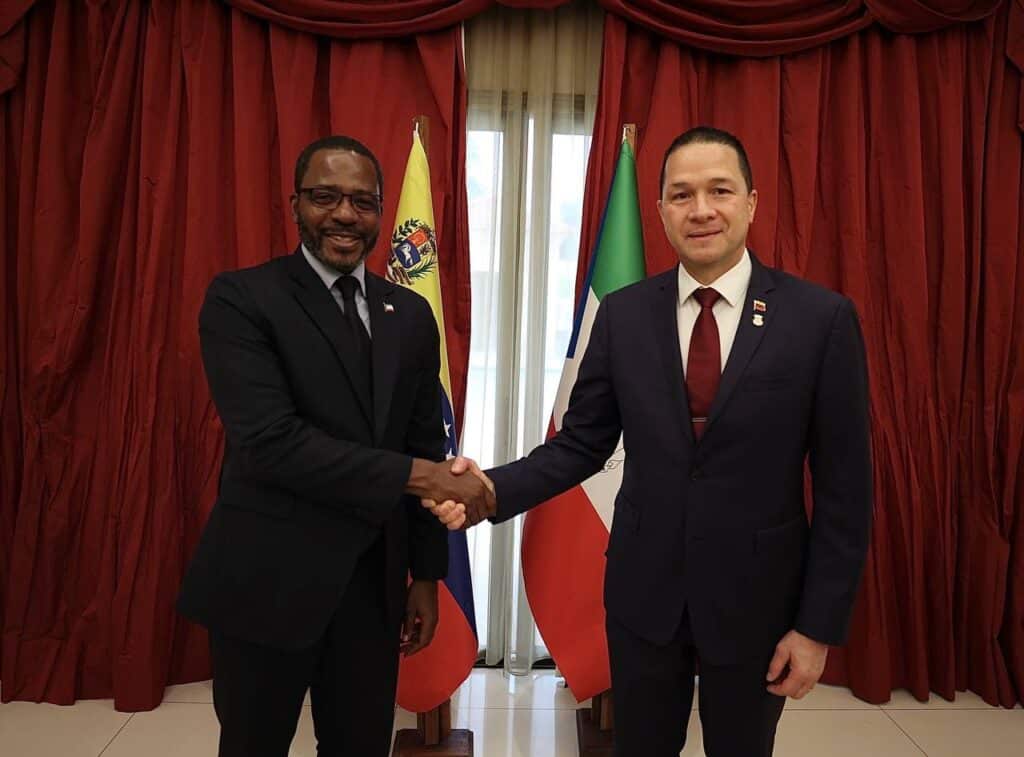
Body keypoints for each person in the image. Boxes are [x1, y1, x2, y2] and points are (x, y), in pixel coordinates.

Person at [427, 126, 872, 757]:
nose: (701, 210)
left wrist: (816, 626)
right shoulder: (625, 313)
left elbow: (845, 490)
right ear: (661, 209)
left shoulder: (820, 320)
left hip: (758, 601)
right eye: (681, 194)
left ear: (751, 201)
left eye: (719, 190)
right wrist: (489, 488)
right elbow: (580, 445)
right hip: (644, 595)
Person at [177, 135, 493, 757]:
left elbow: (425, 439)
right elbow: (273, 444)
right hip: (265, 582)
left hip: (370, 592)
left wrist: (426, 575)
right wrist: (422, 476)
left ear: (380, 212)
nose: (345, 215)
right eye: (326, 197)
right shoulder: (242, 299)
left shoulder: (409, 314)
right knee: (252, 744)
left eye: (362, 201)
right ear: (296, 204)